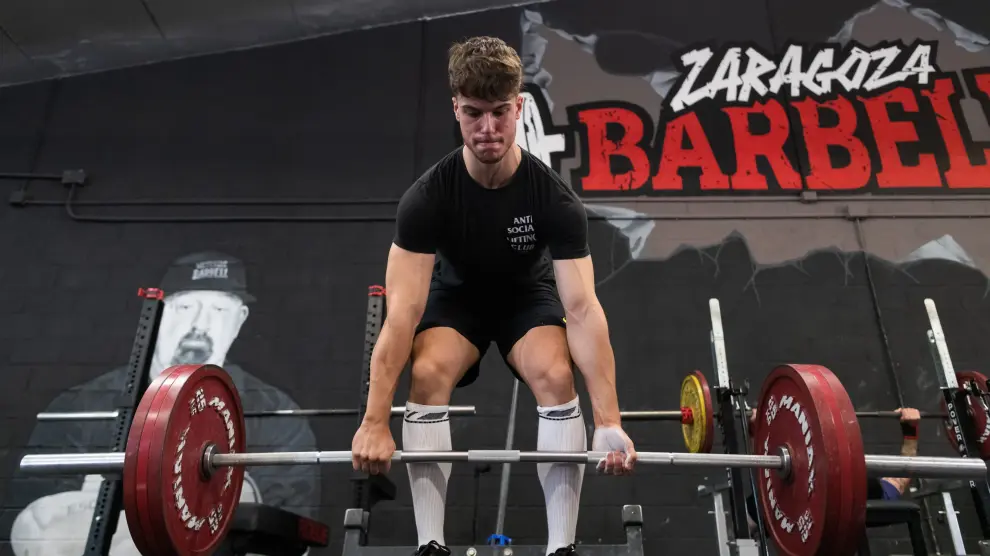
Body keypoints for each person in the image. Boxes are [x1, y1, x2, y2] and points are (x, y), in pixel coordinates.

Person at [349, 36, 637, 556]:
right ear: (455, 109)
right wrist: (375, 422)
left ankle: (561, 548)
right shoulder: (427, 198)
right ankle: (430, 545)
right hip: (457, 300)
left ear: (519, 106)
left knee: (555, 374)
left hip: (526, 298)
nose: (488, 129)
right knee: (428, 371)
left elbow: (582, 309)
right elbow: (401, 318)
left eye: (500, 113)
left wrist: (609, 422)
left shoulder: (553, 199)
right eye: (474, 113)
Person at [9, 251, 320, 556]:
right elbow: (32, 523)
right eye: (184, 306)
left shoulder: (279, 418)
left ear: (239, 322)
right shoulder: (82, 406)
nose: (200, 324)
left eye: (220, 311)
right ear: (156, 313)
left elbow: (287, 533)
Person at [744, 407, 922, 534]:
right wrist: (910, 432)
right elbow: (900, 479)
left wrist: (756, 429)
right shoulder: (801, 464)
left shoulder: (863, 497)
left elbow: (900, 480)